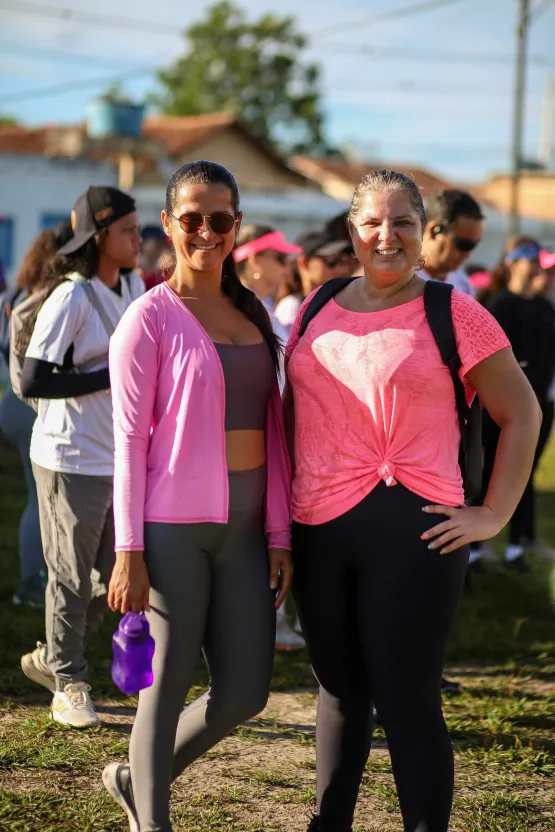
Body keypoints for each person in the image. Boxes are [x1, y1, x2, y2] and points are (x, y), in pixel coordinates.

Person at [283, 169, 541, 832]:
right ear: (352, 231)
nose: (386, 235)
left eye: (401, 222)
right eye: (373, 221)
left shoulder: (451, 311)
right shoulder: (319, 303)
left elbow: (521, 413)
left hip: (415, 531)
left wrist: (493, 513)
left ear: (421, 234)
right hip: (316, 525)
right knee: (338, 693)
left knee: (405, 700)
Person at [102, 161, 293, 832]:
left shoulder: (254, 312)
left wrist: (278, 535)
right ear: (168, 224)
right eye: (191, 219)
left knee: (245, 692)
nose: (205, 232)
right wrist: (129, 551)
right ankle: (151, 819)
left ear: (236, 226)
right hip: (171, 530)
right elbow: (127, 443)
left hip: (243, 533)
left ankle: (134, 778)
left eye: (219, 220)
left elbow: (274, 428)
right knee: (162, 690)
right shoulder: (146, 320)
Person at [19, 187, 144, 728]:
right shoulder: (70, 297)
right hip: (68, 457)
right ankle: (69, 681)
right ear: (99, 237)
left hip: (118, 457)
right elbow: (32, 377)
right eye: (130, 231)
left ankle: (51, 656)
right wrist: (107, 374)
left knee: (116, 577)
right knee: (71, 578)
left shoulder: (136, 285)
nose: (140, 239)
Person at [234, 223, 306, 651]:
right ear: (253, 261)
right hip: (249, 442)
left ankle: (270, 619)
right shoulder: (242, 310)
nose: (289, 265)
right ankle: (259, 624)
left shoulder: (263, 308)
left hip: (269, 438)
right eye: (279, 258)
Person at [470, 240, 555, 570]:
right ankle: (475, 549)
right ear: (512, 263)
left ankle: (516, 548)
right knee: (487, 469)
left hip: (535, 408)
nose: (536, 265)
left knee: (524, 471)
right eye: (529, 259)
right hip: (496, 404)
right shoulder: (498, 304)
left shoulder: (545, 309)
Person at [0, 221, 73, 607]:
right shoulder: (52, 297)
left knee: (40, 497)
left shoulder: (19, 291)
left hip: (13, 405)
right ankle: (30, 585)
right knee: (40, 498)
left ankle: (38, 580)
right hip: (30, 407)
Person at [275, 230, 354, 335]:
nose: (341, 269)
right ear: (304, 262)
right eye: (331, 260)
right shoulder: (291, 306)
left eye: (344, 260)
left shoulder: (343, 304)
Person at [419, 189, 485, 296]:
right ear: (434, 231)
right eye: (463, 245)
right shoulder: (399, 282)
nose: (468, 254)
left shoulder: (463, 285)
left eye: (473, 245)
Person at [137, 225, 168, 291]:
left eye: (162, 242)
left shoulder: (165, 275)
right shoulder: (130, 273)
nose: (160, 245)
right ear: (142, 243)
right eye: (156, 241)